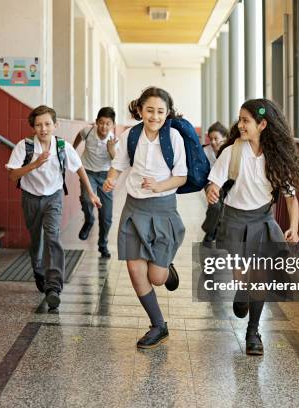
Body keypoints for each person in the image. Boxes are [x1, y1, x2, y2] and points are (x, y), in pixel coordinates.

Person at [206, 99, 299, 355]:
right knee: (243, 279)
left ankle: (253, 332)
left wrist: (293, 226)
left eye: (246, 121)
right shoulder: (232, 152)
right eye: (239, 120)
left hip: (262, 221)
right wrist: (212, 191)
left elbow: (292, 198)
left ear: (262, 125)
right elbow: (214, 182)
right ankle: (242, 293)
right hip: (235, 221)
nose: (240, 125)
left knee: (259, 277)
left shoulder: (276, 160)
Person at [103, 87, 186, 349]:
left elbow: (181, 176)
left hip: (163, 209)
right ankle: (158, 325)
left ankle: (167, 269)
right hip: (134, 208)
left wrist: (160, 186)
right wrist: (111, 179)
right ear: (140, 110)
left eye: (160, 111)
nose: (155, 116)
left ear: (167, 113)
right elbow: (120, 163)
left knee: (157, 278)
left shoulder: (173, 137)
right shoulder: (132, 135)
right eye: (149, 110)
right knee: (134, 268)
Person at [6, 105, 102, 310]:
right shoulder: (24, 147)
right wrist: (34, 164)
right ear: (33, 127)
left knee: (52, 237)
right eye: (39, 125)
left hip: (54, 197)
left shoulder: (62, 146)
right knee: (36, 239)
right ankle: (38, 269)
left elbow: (79, 168)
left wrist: (91, 193)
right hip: (30, 198)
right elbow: (13, 175)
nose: (43, 129)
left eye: (48, 124)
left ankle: (54, 286)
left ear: (55, 125)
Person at [72, 107, 119, 258]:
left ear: (112, 125)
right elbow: (79, 136)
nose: (104, 127)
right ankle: (89, 219)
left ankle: (103, 245)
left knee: (106, 216)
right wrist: (73, 150)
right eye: (101, 122)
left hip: (106, 176)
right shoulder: (88, 131)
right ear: (96, 122)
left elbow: (116, 162)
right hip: (88, 173)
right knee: (86, 199)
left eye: (108, 124)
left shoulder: (113, 140)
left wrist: (111, 149)